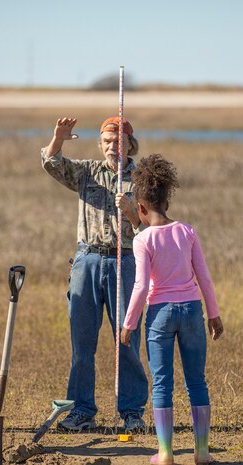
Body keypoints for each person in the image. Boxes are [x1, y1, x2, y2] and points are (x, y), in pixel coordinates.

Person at [41, 116, 149, 432]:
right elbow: (51, 163)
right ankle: (81, 412)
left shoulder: (142, 179)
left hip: (126, 262)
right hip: (87, 260)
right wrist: (58, 136)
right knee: (82, 343)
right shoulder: (87, 171)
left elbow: (153, 228)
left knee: (126, 340)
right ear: (100, 145)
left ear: (130, 143)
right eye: (106, 142)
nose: (113, 147)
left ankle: (132, 413)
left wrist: (131, 212)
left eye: (118, 141)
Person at [120, 154, 224, 465]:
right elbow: (203, 277)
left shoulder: (142, 239)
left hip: (160, 315)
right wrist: (215, 314)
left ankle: (165, 453)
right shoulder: (187, 231)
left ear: (140, 208)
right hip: (192, 310)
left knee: (162, 381)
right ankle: (202, 453)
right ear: (167, 200)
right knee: (197, 381)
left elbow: (140, 287)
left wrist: (128, 324)